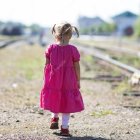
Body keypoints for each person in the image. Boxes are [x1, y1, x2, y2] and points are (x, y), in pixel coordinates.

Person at [40, 22, 84, 136]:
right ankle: (64, 128)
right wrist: (78, 80)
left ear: (56, 35)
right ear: (70, 35)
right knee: (67, 102)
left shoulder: (50, 48)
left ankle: (54, 118)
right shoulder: (73, 49)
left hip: (54, 78)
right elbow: (77, 67)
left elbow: (46, 66)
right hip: (69, 80)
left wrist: (45, 80)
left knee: (55, 97)